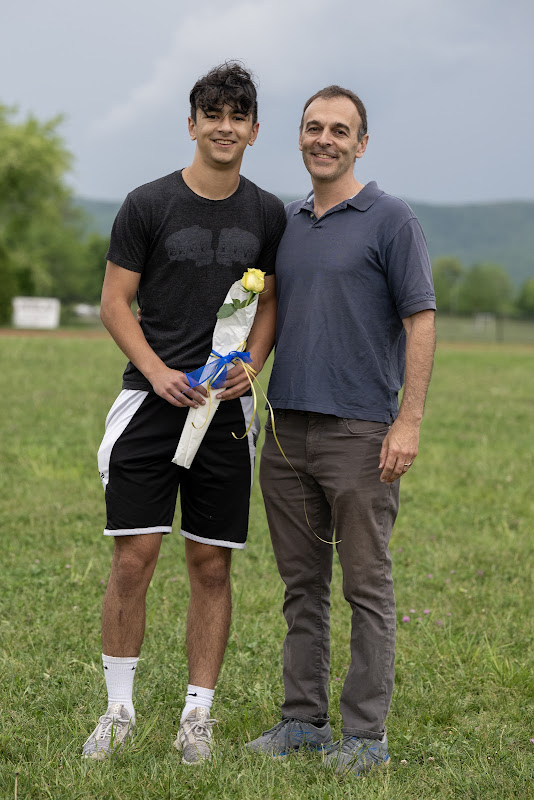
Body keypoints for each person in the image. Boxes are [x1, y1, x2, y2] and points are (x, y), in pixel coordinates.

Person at [82, 62, 286, 763]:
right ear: (193, 123)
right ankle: (117, 711)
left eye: (238, 116)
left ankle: (195, 717)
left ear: (254, 131)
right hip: (151, 402)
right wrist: (158, 370)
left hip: (223, 415)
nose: (224, 127)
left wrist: (251, 365)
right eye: (213, 114)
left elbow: (271, 305)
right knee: (134, 560)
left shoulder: (267, 212)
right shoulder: (146, 204)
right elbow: (115, 303)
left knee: (210, 567)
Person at [247, 86, 436, 775]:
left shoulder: (392, 219)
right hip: (286, 432)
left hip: (361, 432)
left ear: (362, 142)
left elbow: (421, 319)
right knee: (301, 586)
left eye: (339, 130)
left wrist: (407, 420)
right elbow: (263, 308)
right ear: (298, 137)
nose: (323, 139)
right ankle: (302, 721)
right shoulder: (287, 222)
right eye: (312, 127)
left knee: (367, 586)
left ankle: (365, 736)